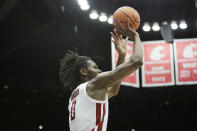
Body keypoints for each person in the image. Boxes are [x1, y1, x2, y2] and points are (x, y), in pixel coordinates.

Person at [59, 21, 143, 131]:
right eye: (95, 67)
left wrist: (121, 56)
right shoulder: (94, 84)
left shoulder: (75, 95)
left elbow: (113, 90)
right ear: (84, 71)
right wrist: (136, 36)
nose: (99, 70)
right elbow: (137, 61)